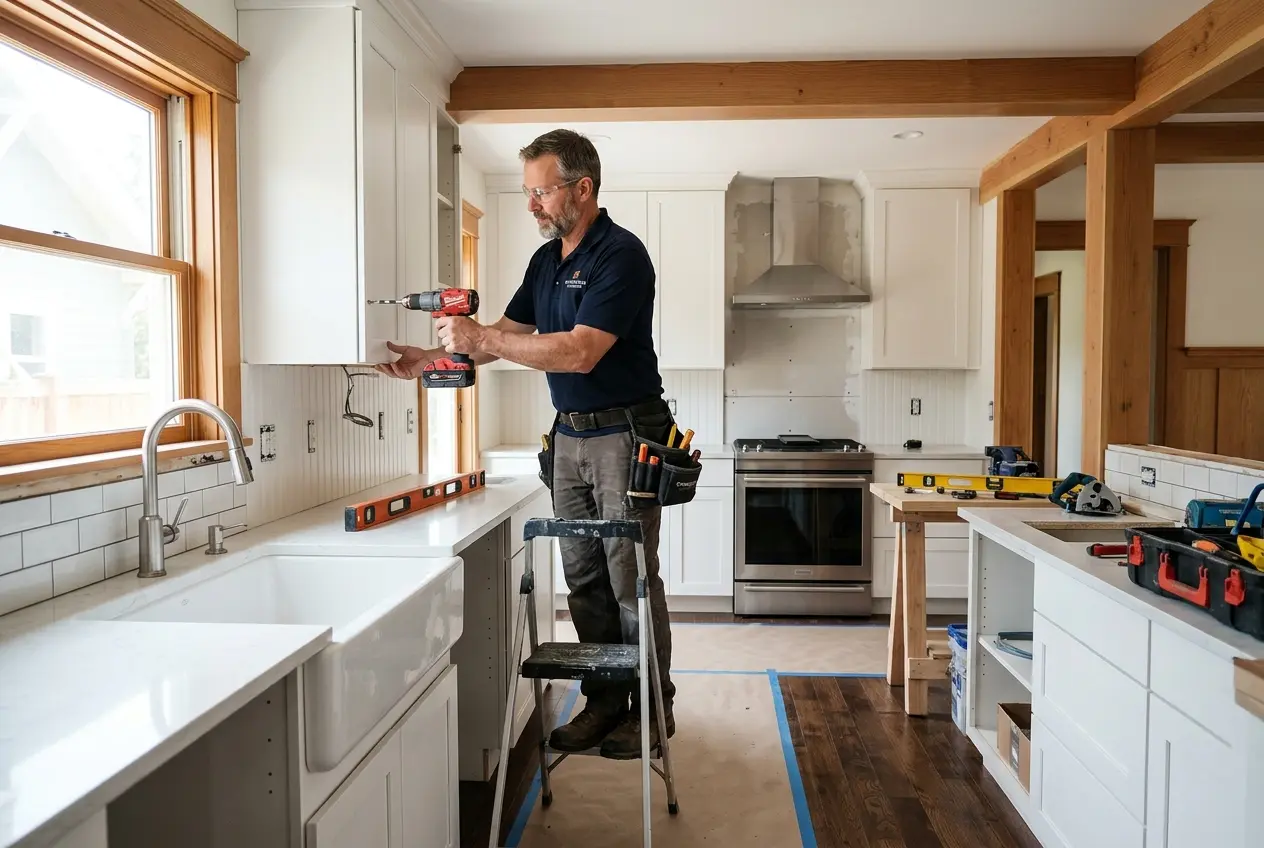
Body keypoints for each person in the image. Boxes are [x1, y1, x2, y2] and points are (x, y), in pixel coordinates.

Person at [376, 128, 676, 760]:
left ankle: (652, 709)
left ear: (582, 188)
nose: (533, 206)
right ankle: (603, 703)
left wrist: (483, 341)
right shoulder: (545, 263)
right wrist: (429, 358)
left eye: (541, 193)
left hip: (624, 433)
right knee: (583, 577)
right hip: (568, 437)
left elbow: (580, 351)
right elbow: (500, 333)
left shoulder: (622, 256)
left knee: (629, 579)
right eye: (528, 194)